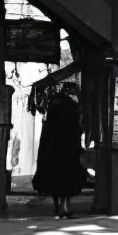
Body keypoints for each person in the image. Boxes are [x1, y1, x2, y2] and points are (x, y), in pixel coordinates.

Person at [33, 85, 87, 217]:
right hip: (68, 151)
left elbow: (47, 130)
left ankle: (58, 207)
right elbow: (77, 129)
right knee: (67, 181)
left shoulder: (53, 106)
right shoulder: (70, 108)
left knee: (56, 181)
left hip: (53, 152)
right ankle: (65, 207)